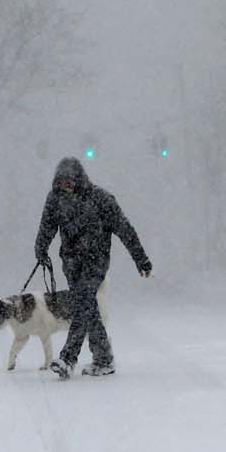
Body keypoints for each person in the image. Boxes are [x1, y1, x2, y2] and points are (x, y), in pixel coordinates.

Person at [34, 156, 152, 379]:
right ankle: (104, 359)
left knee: (82, 303)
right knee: (88, 308)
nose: (65, 186)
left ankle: (68, 358)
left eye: (69, 182)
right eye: (61, 182)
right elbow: (47, 227)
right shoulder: (55, 199)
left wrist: (141, 259)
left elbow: (125, 230)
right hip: (70, 263)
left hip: (95, 262)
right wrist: (40, 249)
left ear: (79, 179)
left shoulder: (101, 199)